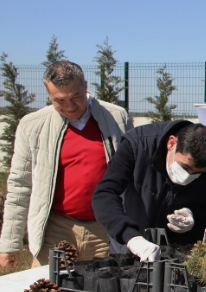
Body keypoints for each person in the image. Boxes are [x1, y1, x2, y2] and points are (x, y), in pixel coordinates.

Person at [0, 61, 132, 269]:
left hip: (104, 227)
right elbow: (19, 186)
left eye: (76, 97)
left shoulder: (117, 117)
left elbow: (132, 175)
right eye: (59, 100)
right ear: (48, 94)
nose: (70, 106)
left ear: (85, 86)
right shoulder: (32, 125)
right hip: (55, 227)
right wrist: (10, 242)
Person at [92, 121, 206, 261]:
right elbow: (105, 193)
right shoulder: (138, 143)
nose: (188, 176)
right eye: (185, 167)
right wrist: (130, 236)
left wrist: (193, 215)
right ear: (171, 144)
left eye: (198, 173)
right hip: (131, 246)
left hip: (179, 253)